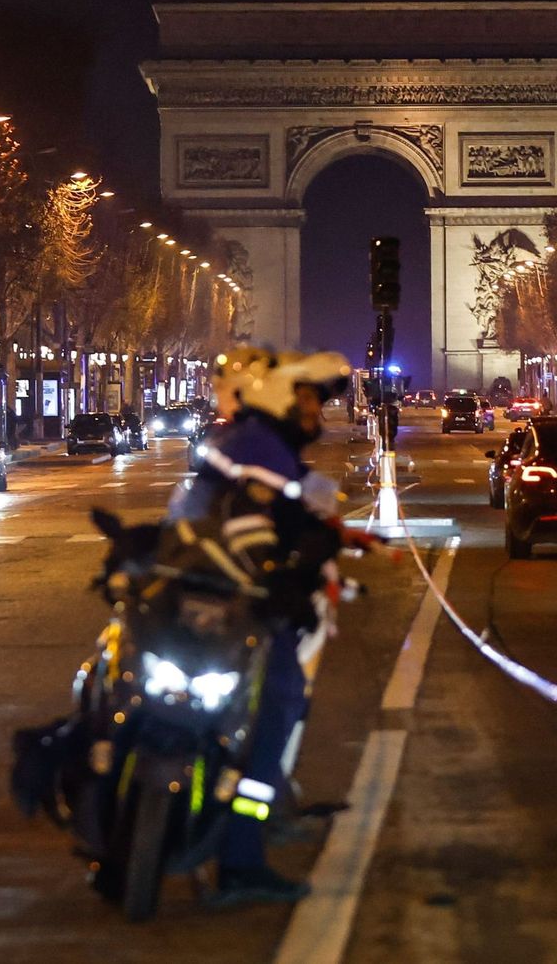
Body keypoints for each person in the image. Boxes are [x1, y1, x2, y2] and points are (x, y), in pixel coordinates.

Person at [169, 348, 351, 907]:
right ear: (276, 395)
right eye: (308, 399)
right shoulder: (261, 446)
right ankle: (243, 854)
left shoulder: (242, 442)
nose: (316, 413)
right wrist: (284, 584)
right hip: (232, 607)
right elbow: (256, 527)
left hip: (183, 595)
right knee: (280, 702)